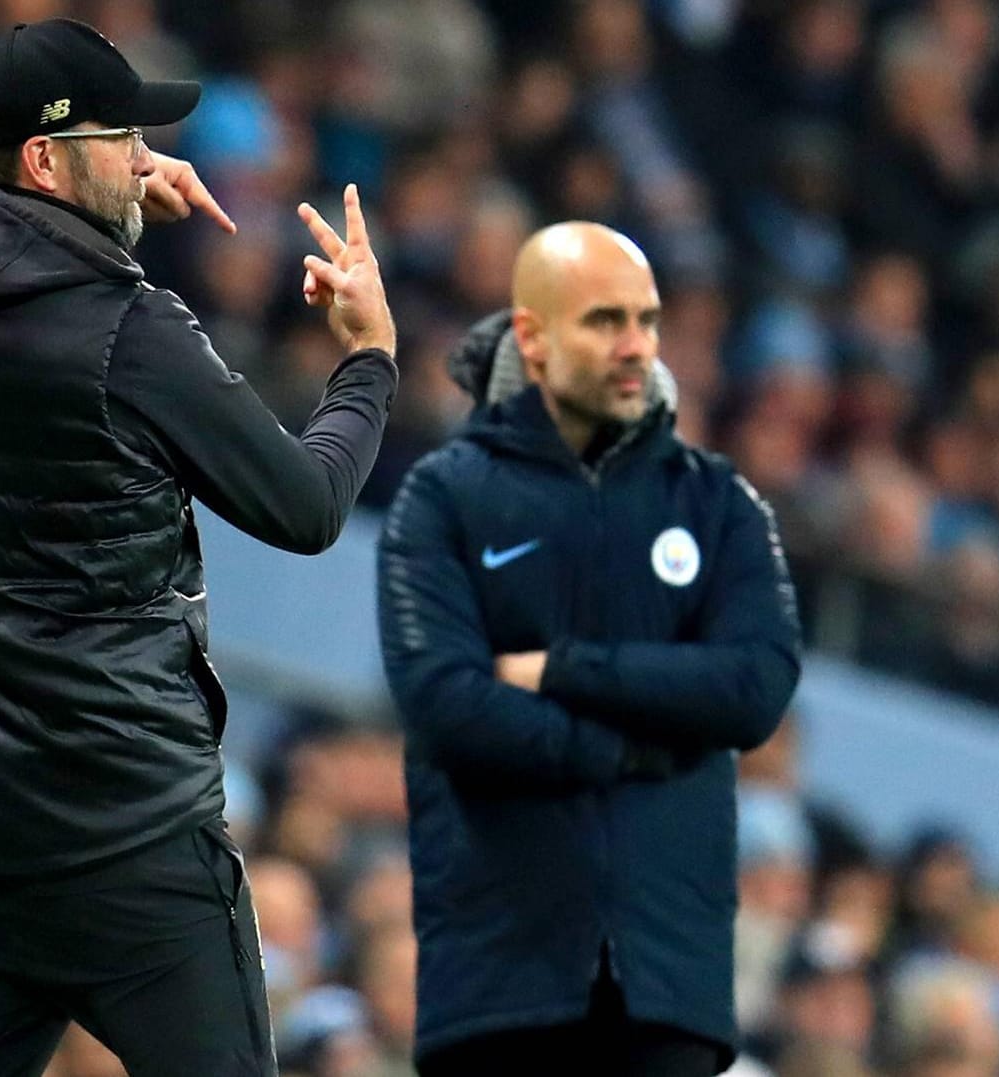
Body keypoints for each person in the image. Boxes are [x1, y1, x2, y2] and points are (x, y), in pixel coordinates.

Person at [0, 17, 397, 1077]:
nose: (146, 151)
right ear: (44, 159)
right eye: (123, 134)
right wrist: (367, 361)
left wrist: (110, 190)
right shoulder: (125, 330)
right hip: (123, 843)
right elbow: (305, 507)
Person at [377, 222, 801, 1076]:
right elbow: (447, 701)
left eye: (648, 320)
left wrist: (565, 671)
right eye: (606, 321)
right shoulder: (445, 497)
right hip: (499, 980)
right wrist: (642, 742)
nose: (637, 345)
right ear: (531, 337)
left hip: (669, 986)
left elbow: (756, 685)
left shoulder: (721, 504)